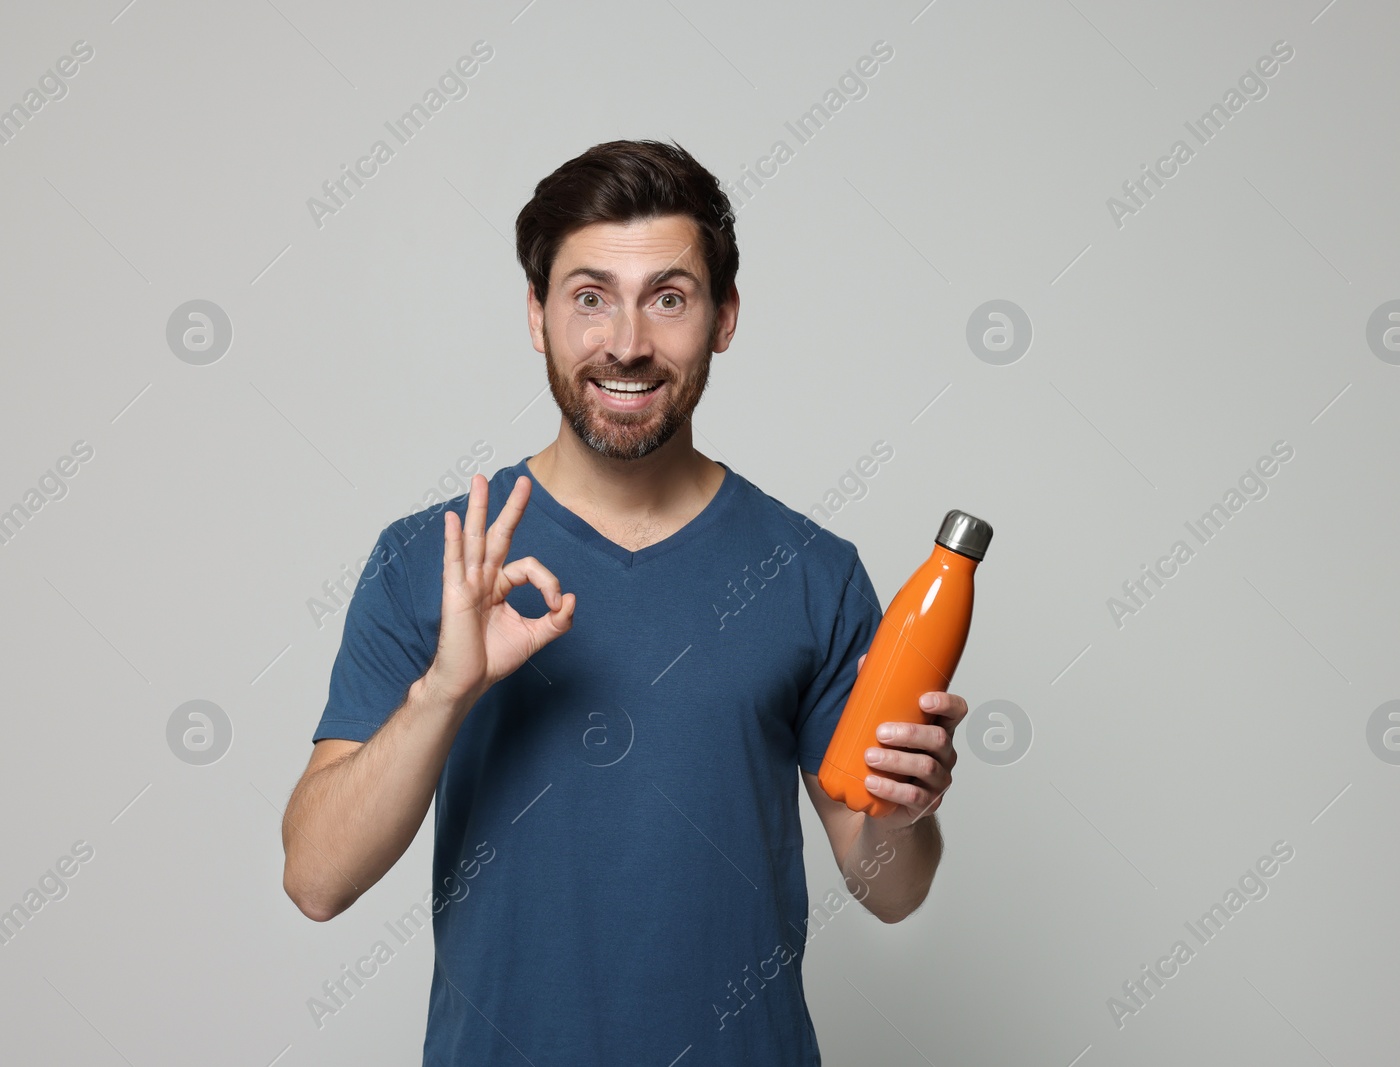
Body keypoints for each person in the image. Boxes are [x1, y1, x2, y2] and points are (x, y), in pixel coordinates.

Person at [279, 138, 969, 1065]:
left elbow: (890, 890)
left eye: (670, 298)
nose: (627, 343)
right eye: (590, 296)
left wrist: (906, 809)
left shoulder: (813, 572)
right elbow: (316, 878)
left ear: (724, 317)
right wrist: (445, 690)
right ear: (537, 314)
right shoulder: (431, 559)